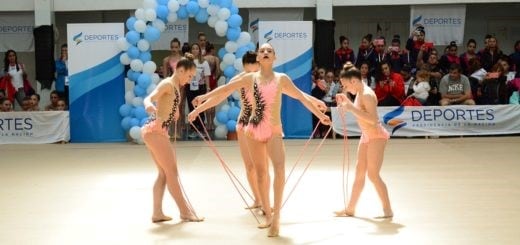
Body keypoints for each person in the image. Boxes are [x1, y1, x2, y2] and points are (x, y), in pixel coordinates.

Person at [188, 43, 330, 237]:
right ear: (257, 57)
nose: (264, 53)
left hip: (273, 129)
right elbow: (224, 90)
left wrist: (318, 113)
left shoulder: (282, 79)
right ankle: (268, 215)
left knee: (279, 170)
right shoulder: (248, 78)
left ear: (274, 57)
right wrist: (202, 100)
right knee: (261, 174)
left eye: (269, 51)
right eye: (262, 51)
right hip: (252, 129)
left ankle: (277, 216)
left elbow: (300, 96)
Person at [141, 53, 203, 223]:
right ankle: (184, 211)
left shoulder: (176, 87)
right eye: (189, 75)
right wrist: (148, 105)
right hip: (155, 131)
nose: (190, 80)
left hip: (156, 131)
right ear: (180, 70)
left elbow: (167, 105)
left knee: (163, 173)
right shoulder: (168, 83)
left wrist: (173, 111)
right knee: (172, 172)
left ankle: (157, 213)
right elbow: (150, 97)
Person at [333, 66, 393, 219]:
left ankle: (388, 210)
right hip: (366, 135)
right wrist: (347, 101)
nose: (345, 88)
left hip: (376, 136)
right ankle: (350, 208)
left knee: (373, 175)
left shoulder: (366, 94)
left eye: (346, 85)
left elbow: (373, 120)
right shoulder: (360, 92)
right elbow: (359, 111)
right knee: (359, 173)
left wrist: (351, 108)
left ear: (354, 81)